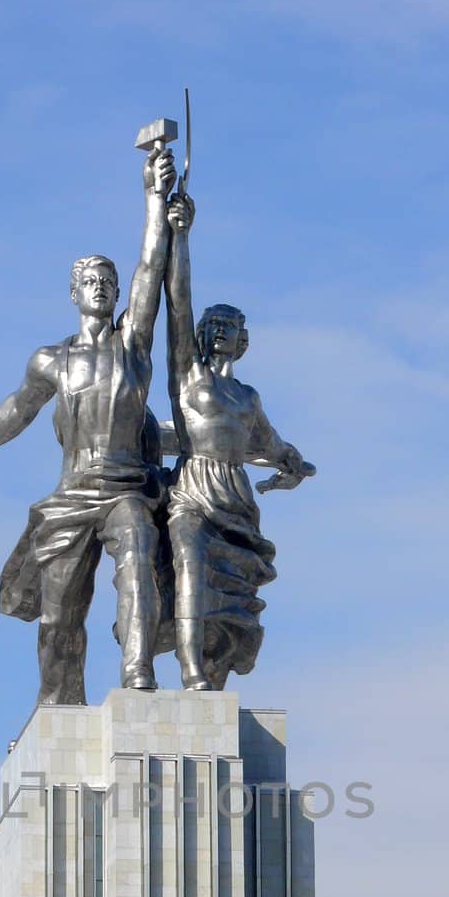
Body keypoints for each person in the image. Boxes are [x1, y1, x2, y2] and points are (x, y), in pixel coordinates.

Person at [0, 143, 177, 705]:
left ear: (118, 294)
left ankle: (138, 676)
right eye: (91, 281)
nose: (101, 287)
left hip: (126, 489)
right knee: (58, 616)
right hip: (73, 493)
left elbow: (152, 267)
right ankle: (59, 702)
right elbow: (18, 407)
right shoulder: (50, 359)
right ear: (74, 293)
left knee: (139, 561)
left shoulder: (134, 345)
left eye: (108, 281)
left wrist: (153, 198)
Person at [160, 190, 314, 690]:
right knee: (188, 564)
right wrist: (180, 235)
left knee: (234, 598)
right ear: (204, 333)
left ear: (243, 339)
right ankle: (188, 673)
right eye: (217, 323)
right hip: (192, 489)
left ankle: (214, 670)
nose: (224, 330)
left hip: (237, 498)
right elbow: (177, 302)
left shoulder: (247, 396)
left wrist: (294, 466)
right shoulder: (188, 377)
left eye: (233, 325)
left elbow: (272, 445)